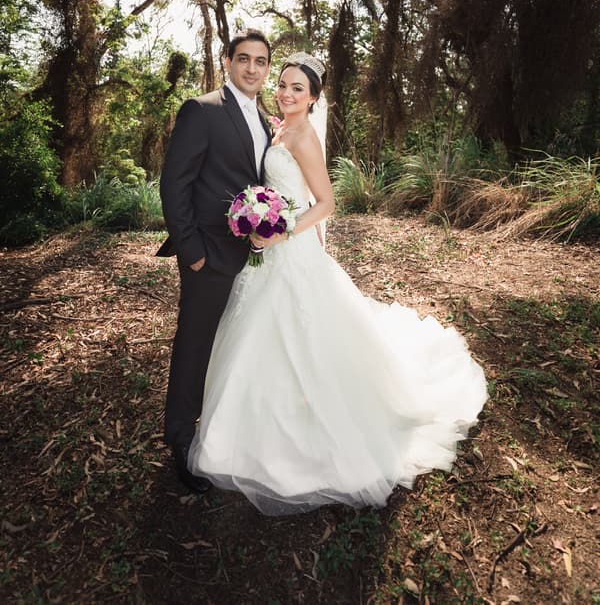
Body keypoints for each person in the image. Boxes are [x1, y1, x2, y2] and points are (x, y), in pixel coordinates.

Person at [187, 53, 488, 514]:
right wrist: (258, 216)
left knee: (302, 335)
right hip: (266, 254)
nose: (287, 93)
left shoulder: (304, 136)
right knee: (258, 334)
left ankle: (311, 427)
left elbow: (326, 203)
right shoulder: (277, 129)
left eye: (298, 89)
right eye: (283, 85)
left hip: (291, 251)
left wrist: (281, 230)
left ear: (314, 98)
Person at [157, 28, 271, 494]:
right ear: (227, 62)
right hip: (207, 253)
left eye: (260, 61)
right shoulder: (201, 110)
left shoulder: (265, 120)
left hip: (251, 256)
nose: (251, 68)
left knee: (233, 345)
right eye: (243, 58)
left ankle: (223, 429)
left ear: (267, 68)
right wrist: (192, 253)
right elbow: (174, 184)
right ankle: (181, 441)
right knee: (195, 345)